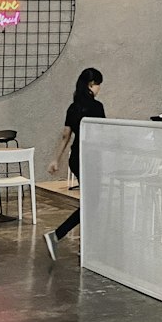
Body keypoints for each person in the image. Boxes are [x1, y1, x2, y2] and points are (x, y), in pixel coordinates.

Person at [44, 67, 105, 261]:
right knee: (91, 203)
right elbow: (103, 133)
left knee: (90, 202)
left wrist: (56, 159)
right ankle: (60, 236)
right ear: (91, 85)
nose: (99, 89)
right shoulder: (97, 107)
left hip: (76, 158)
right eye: (98, 85)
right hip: (91, 158)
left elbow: (65, 136)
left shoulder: (73, 107)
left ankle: (82, 243)